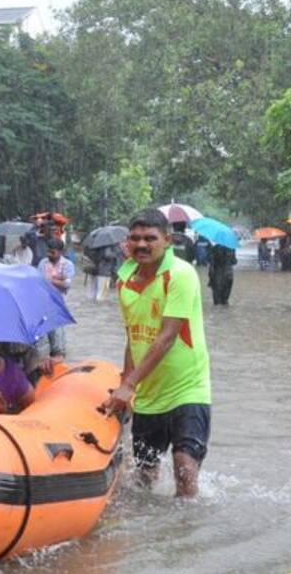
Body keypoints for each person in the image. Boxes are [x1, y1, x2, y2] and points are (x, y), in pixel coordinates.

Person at [103, 207, 211, 498]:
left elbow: (166, 337)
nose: (141, 245)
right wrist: (125, 384)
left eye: (150, 238)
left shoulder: (181, 274)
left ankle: (184, 536)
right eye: (135, 238)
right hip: (149, 395)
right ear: (127, 242)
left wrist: (128, 385)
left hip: (187, 388)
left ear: (168, 240)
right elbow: (133, 337)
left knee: (184, 468)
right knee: (144, 477)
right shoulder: (124, 279)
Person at [37, 238, 74, 358]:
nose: (49, 254)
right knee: (43, 334)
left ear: (60, 252)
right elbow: (38, 281)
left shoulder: (67, 265)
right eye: (48, 251)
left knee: (58, 336)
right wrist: (58, 280)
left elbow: (67, 284)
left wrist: (50, 280)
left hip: (59, 304)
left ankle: (59, 357)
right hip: (42, 303)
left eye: (52, 252)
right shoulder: (43, 263)